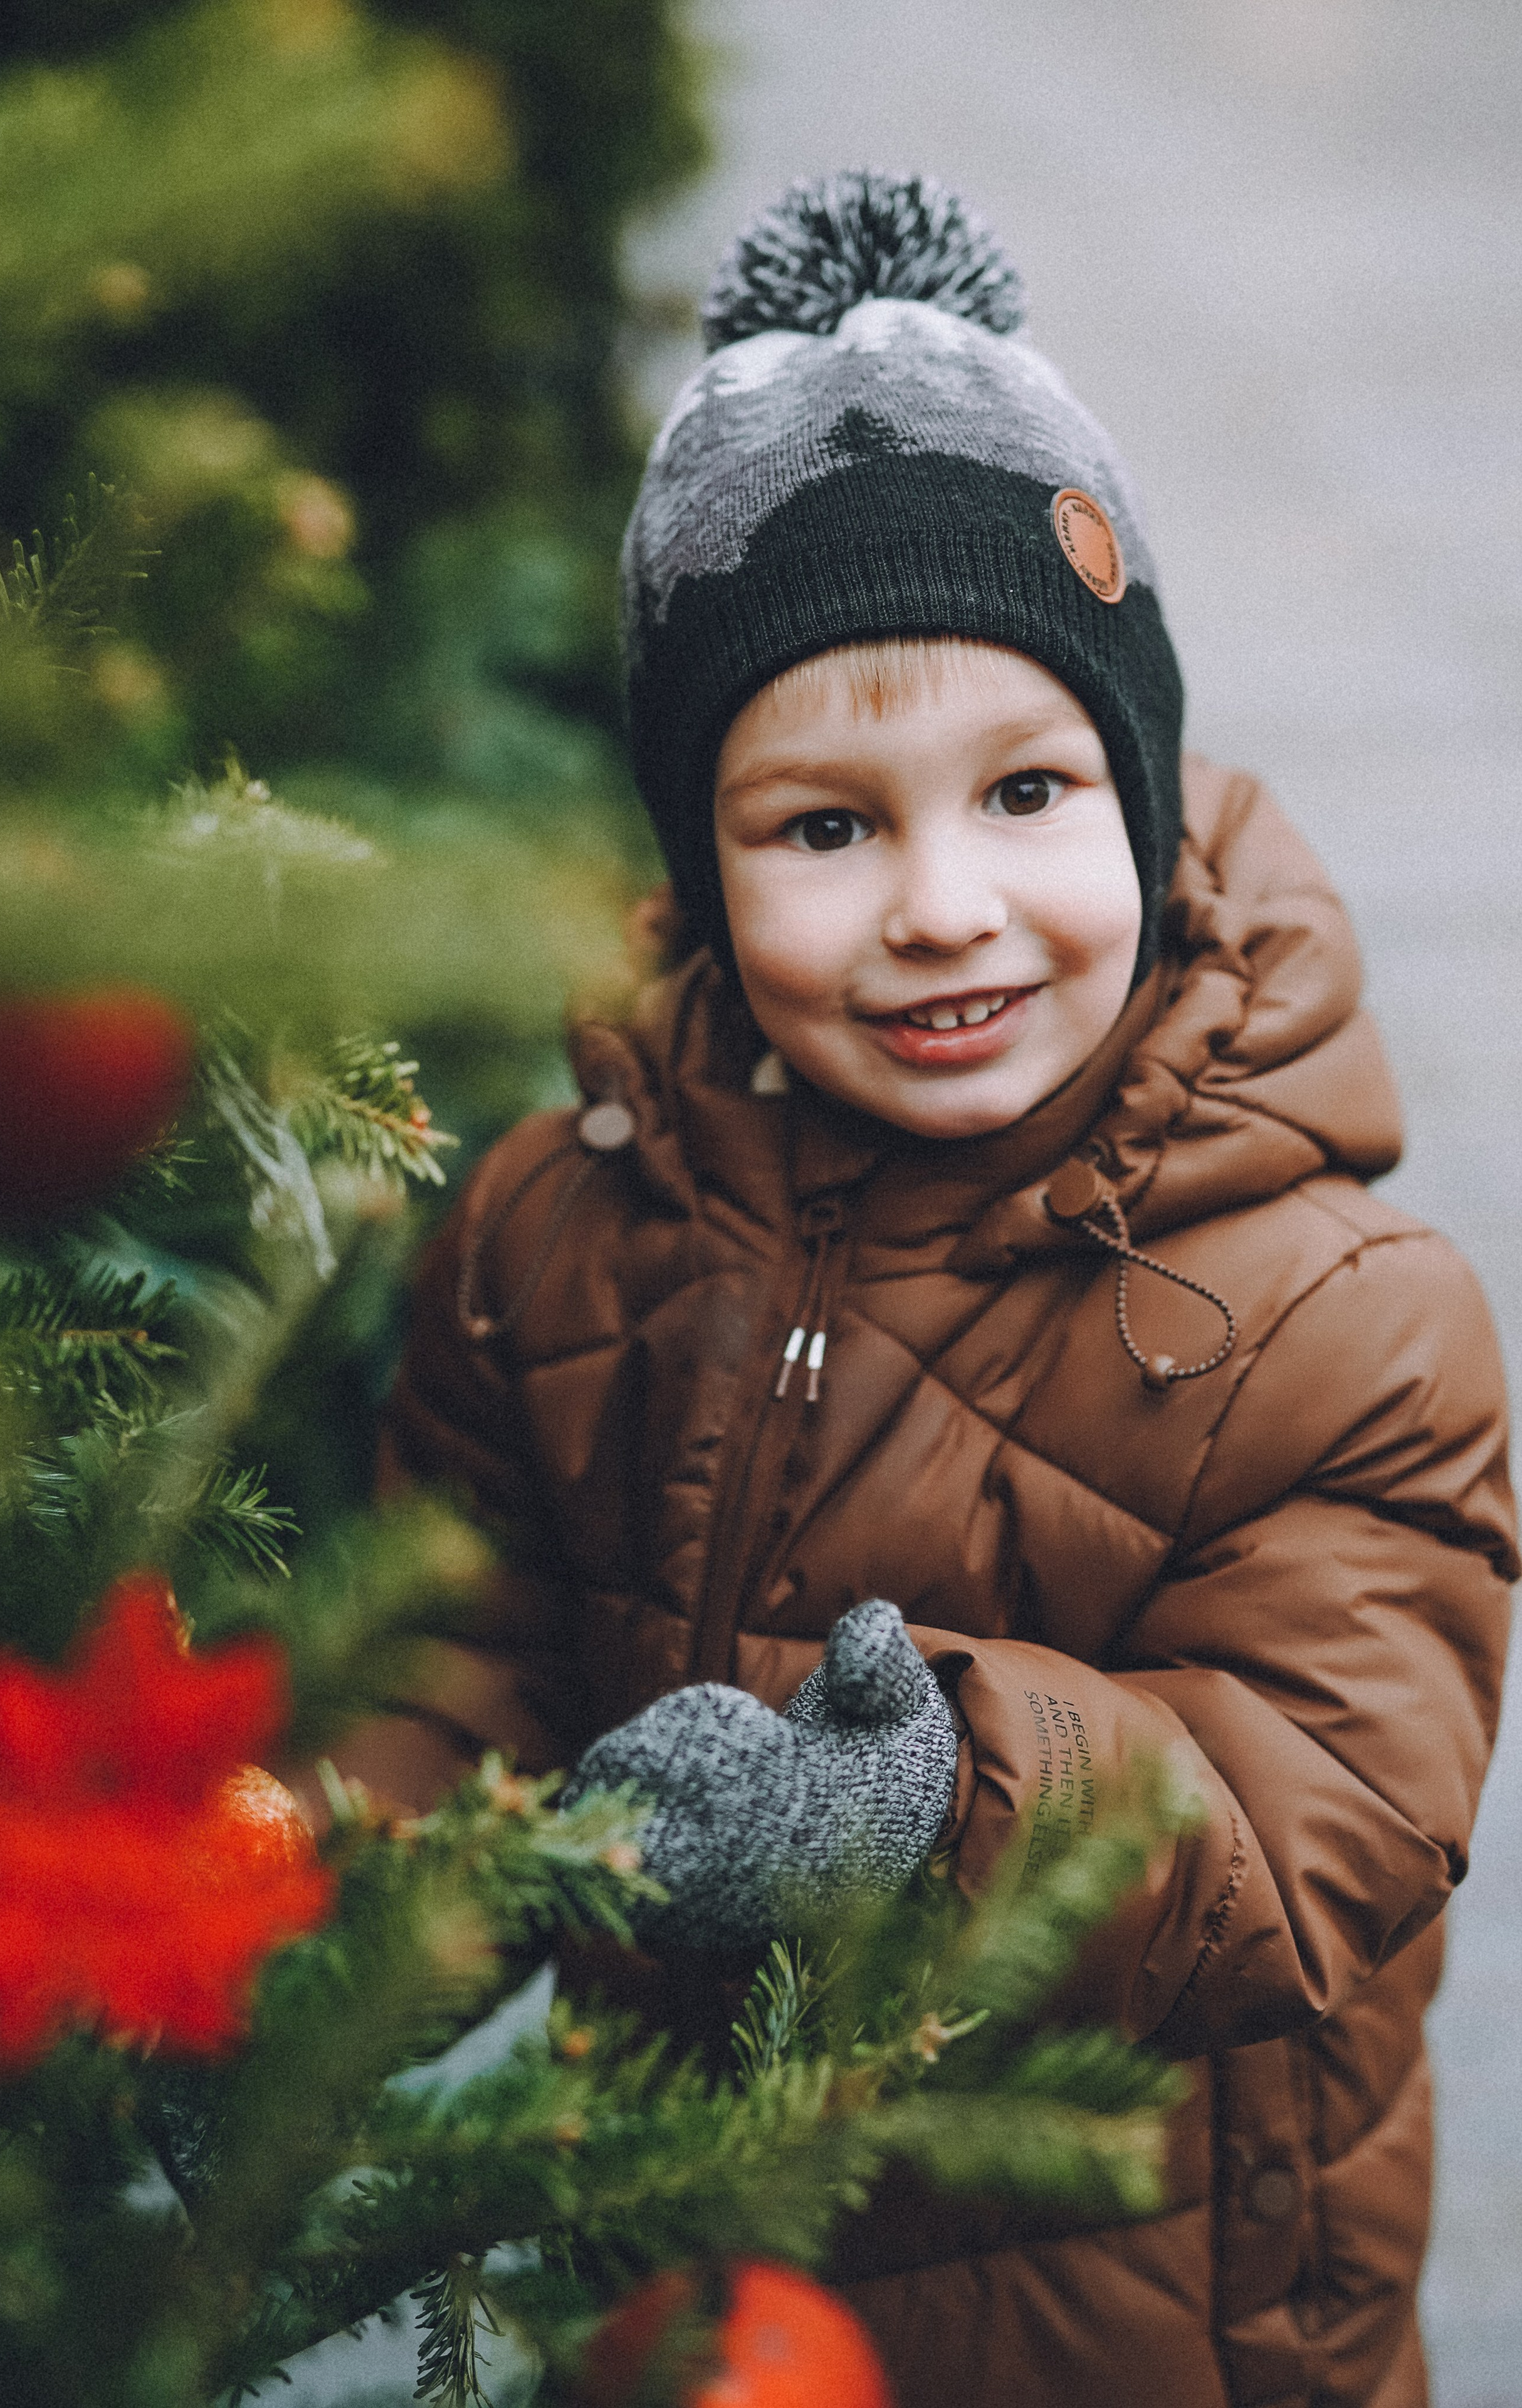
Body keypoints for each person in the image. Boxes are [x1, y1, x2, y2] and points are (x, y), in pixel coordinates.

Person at [360, 174, 1517, 2407]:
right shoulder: (557, 1223)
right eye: (826, 826)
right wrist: (317, 1921)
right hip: (706, 2263)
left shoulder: (1342, 1316)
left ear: (1143, 787)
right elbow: (455, 1641)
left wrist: (939, 1803)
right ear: (697, 863)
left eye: (1024, 788)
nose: (945, 905)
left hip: (1150, 2299)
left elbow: (1317, 1817)